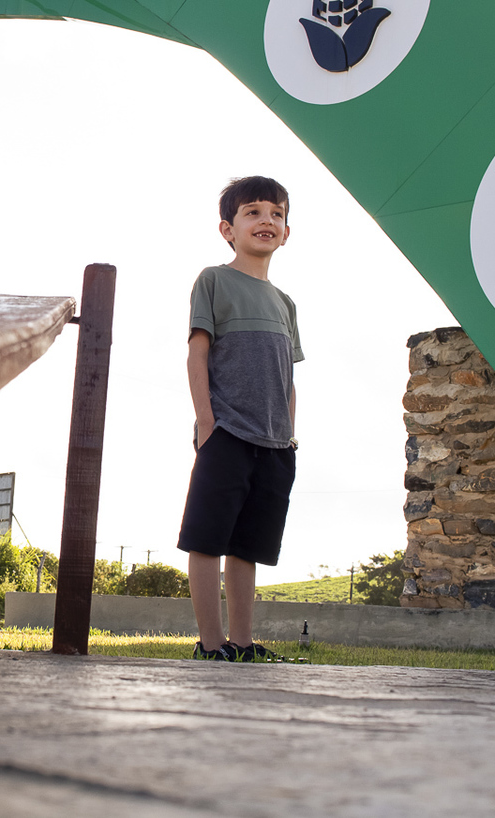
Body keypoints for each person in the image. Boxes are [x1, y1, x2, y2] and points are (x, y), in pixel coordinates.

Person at [178, 176, 302, 662]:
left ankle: (244, 644)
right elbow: (197, 353)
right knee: (207, 540)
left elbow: (288, 377)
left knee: (248, 547)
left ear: (286, 232)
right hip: (226, 433)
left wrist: (289, 436)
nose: (266, 220)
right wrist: (207, 423)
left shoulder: (286, 304)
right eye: (253, 212)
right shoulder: (214, 280)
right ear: (228, 229)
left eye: (276, 214)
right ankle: (211, 646)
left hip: (275, 445)